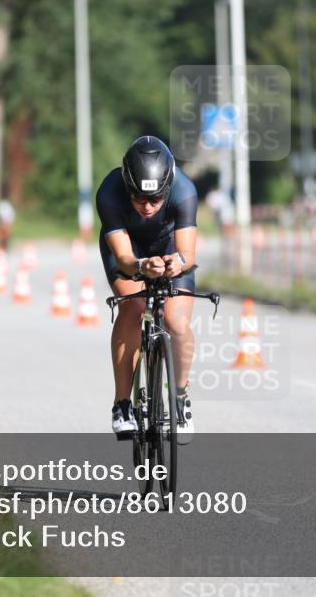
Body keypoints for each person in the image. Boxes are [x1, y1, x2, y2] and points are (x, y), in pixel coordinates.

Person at [96, 136, 198, 442]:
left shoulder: (185, 191)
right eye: (139, 198)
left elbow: (188, 253)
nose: (148, 206)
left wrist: (176, 263)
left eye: (156, 199)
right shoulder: (109, 193)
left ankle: (180, 400)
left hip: (169, 248)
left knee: (176, 322)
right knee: (133, 306)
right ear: (127, 188)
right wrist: (141, 267)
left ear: (168, 189)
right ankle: (122, 405)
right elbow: (125, 259)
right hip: (130, 249)